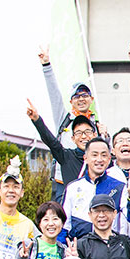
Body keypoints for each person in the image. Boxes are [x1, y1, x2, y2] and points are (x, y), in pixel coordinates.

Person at [38, 46, 103, 201]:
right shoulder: (64, 118)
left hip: (91, 179)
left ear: (91, 99)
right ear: (71, 101)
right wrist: (46, 65)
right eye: (77, 96)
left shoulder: (97, 125)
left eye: (84, 95)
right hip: (64, 181)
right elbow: (54, 94)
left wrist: (104, 136)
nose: (81, 99)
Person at [61, 137, 130, 240]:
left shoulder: (119, 187)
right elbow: (64, 226)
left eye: (104, 155)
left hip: (109, 245)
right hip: (80, 245)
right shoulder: (73, 187)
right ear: (86, 158)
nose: (99, 159)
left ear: (109, 159)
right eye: (94, 155)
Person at [26, 100, 96, 201]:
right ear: (73, 138)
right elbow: (51, 141)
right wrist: (37, 120)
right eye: (78, 133)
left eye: (87, 132)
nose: (84, 136)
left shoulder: (102, 159)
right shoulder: (66, 156)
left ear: (94, 135)